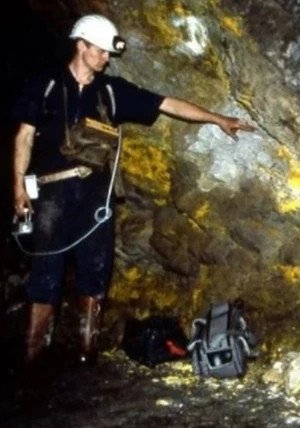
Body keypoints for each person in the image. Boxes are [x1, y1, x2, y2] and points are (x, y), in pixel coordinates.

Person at [11, 14, 254, 366]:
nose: (107, 58)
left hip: (96, 197)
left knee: (95, 271)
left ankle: (86, 353)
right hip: (51, 195)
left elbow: (167, 103)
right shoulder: (45, 85)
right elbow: (24, 137)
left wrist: (218, 118)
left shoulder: (111, 91)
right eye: (101, 51)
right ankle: (34, 355)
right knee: (46, 271)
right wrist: (18, 187)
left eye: (108, 53)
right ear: (81, 45)